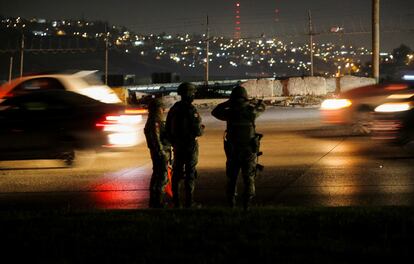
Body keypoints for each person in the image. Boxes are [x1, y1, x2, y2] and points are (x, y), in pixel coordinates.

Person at [211, 85, 265, 210]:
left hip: (233, 150)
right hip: (248, 150)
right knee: (249, 177)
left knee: (232, 178)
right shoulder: (251, 112)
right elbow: (263, 107)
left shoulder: (229, 112)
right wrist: (253, 102)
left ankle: (231, 204)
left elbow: (215, 112)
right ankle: (247, 204)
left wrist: (228, 102)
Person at [166, 82, 205, 208]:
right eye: (192, 93)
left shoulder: (174, 109)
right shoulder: (190, 109)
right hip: (189, 145)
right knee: (190, 173)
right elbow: (197, 131)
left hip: (177, 145)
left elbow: (167, 129)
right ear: (188, 94)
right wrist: (201, 128)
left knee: (177, 173)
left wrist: (174, 142)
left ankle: (176, 202)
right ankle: (189, 202)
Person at [144, 98, 171, 208]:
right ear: (157, 109)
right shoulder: (155, 122)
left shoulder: (153, 121)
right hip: (160, 153)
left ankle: (154, 201)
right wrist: (162, 153)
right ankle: (158, 202)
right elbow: (156, 139)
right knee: (162, 177)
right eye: (161, 108)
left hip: (159, 152)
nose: (163, 110)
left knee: (157, 176)